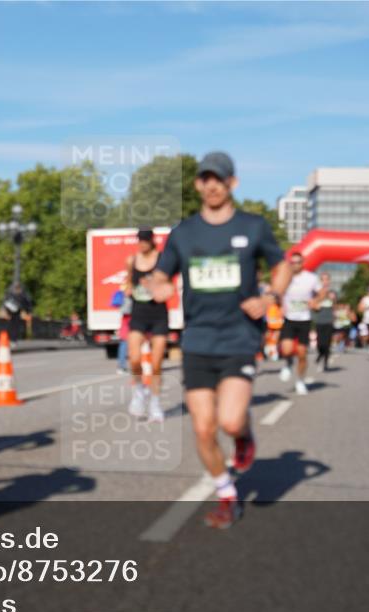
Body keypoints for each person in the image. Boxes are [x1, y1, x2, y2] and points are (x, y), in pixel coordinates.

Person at [145, 151, 291, 529]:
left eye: (219, 178)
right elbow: (160, 275)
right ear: (198, 184)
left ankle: (243, 436)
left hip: (240, 337)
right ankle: (228, 495)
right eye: (205, 178)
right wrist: (159, 287)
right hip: (197, 341)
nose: (212, 185)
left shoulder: (254, 227)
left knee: (228, 421)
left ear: (232, 183)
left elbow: (282, 265)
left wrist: (271, 297)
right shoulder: (184, 233)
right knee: (203, 428)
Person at [124, 227, 170, 423]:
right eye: (139, 240)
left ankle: (156, 404)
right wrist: (128, 289)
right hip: (138, 314)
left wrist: (152, 286)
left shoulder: (162, 260)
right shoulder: (131, 260)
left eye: (145, 240)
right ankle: (139, 392)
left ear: (152, 241)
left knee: (156, 364)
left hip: (158, 314)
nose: (142, 243)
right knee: (134, 358)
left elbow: (169, 287)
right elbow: (128, 283)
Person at [278, 253, 325, 395]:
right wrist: (279, 304)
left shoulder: (311, 278)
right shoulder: (284, 276)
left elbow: (322, 291)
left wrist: (315, 301)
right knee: (286, 349)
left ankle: (300, 381)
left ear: (302, 263)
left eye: (298, 262)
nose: (295, 265)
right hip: (289, 318)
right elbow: (277, 292)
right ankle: (288, 363)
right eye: (292, 262)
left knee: (302, 353)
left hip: (304, 319)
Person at [312, 280, 337, 373]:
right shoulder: (317, 295)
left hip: (329, 322)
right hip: (319, 322)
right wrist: (320, 298)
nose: (325, 283)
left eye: (327, 280)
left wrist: (333, 300)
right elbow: (314, 307)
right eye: (323, 280)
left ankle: (325, 363)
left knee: (327, 344)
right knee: (320, 343)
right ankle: (320, 355)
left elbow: (334, 308)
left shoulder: (332, 295)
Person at [2, 283, 32, 348]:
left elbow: (5, 303)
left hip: (11, 313)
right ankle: (12, 341)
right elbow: (27, 304)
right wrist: (28, 312)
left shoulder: (11, 294)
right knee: (14, 327)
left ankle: (11, 340)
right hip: (16, 313)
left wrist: (6, 312)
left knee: (11, 327)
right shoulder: (22, 295)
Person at [263, 293, 284, 361]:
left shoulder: (278, 306)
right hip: (269, 324)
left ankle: (275, 352)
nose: (272, 300)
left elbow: (281, 314)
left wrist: (281, 320)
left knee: (277, 339)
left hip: (277, 325)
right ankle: (267, 349)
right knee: (267, 338)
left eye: (273, 299)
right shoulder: (267, 306)